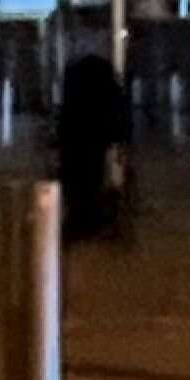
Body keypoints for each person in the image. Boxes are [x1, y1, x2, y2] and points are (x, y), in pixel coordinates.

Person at [56, 32, 131, 240]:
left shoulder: (76, 76)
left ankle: (82, 220)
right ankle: (90, 219)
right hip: (96, 137)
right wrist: (120, 137)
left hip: (77, 138)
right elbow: (118, 109)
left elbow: (65, 111)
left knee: (77, 180)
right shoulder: (104, 76)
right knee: (92, 177)